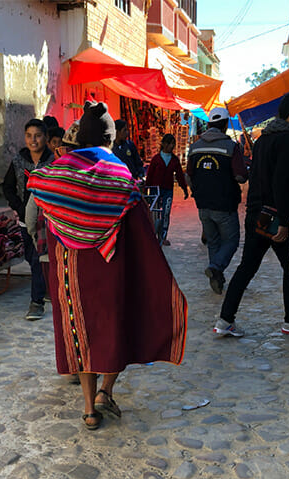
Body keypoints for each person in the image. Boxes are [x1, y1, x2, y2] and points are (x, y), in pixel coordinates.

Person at [27, 101, 187, 431]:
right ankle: (106, 392)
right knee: (114, 329)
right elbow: (141, 230)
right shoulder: (120, 175)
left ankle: (89, 409)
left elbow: (41, 211)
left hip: (69, 269)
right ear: (109, 139)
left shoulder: (54, 174)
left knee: (80, 331)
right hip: (110, 266)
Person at [214, 91, 289, 337]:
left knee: (247, 267)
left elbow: (257, 179)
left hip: (256, 213)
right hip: (274, 217)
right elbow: (282, 182)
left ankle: (225, 320)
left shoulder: (263, 139)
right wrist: (285, 221)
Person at [186, 107, 247, 294]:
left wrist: (198, 189)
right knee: (231, 240)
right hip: (225, 204)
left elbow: (188, 176)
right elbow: (240, 176)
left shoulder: (195, 147)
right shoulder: (231, 147)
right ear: (225, 124)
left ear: (210, 124)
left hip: (203, 204)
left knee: (213, 242)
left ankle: (216, 279)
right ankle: (216, 267)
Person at [2, 118, 53, 320]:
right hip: (25, 219)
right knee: (32, 258)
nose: (33, 140)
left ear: (46, 138)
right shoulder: (18, 161)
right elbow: (8, 187)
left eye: (38, 136)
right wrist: (19, 207)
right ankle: (43, 290)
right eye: (29, 136)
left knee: (38, 258)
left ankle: (36, 302)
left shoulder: (53, 161)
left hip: (47, 219)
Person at [145, 133, 189, 245]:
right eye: (169, 144)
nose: (171, 146)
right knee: (155, 213)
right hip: (156, 190)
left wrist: (184, 189)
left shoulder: (174, 160)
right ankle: (153, 235)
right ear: (164, 144)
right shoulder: (156, 159)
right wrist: (146, 192)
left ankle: (163, 236)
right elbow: (149, 176)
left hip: (168, 190)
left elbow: (179, 175)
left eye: (173, 144)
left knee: (166, 213)